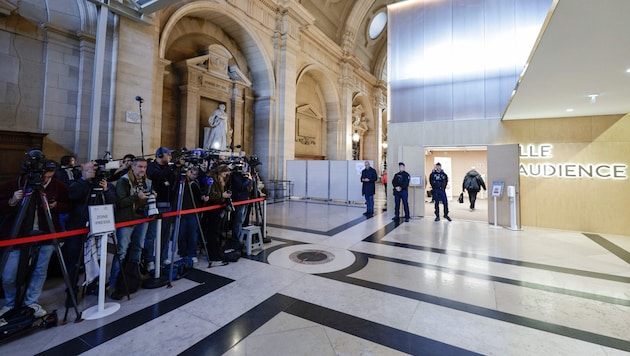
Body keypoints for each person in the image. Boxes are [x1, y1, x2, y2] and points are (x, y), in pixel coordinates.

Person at [0, 156, 69, 317]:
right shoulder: (16, 184)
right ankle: (11, 303)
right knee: (9, 274)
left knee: (39, 271)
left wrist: (56, 205)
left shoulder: (57, 186)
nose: (45, 179)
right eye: (44, 175)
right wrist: (12, 201)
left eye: (50, 176)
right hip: (18, 236)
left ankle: (31, 302)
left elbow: (68, 204)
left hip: (45, 235)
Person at [64, 161, 116, 304]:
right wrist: (85, 180)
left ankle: (94, 285)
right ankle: (71, 291)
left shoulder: (104, 184)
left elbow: (112, 201)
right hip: (78, 226)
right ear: (83, 170)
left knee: (97, 257)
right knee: (74, 262)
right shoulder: (77, 184)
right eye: (90, 169)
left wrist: (105, 189)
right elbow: (73, 195)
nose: (94, 171)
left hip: (98, 226)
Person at [108, 157, 151, 296]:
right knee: (121, 251)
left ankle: (134, 277)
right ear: (133, 167)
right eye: (139, 167)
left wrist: (151, 195)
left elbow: (146, 196)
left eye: (144, 167)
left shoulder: (146, 181)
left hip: (141, 218)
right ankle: (113, 283)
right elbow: (121, 202)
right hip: (127, 220)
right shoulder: (124, 181)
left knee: (137, 248)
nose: (142, 170)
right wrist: (136, 197)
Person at [145, 147, 181, 269]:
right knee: (152, 235)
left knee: (166, 234)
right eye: (168, 155)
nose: (170, 157)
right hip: (155, 205)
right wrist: (172, 167)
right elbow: (157, 177)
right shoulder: (151, 167)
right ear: (160, 155)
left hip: (168, 205)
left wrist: (176, 168)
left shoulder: (168, 169)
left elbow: (173, 182)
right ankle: (149, 260)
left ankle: (163, 257)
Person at [172, 166, 206, 264]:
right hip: (182, 211)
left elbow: (199, 194)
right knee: (181, 234)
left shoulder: (196, 183)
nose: (193, 176)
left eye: (196, 174)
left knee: (193, 234)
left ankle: (192, 253)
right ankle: (182, 253)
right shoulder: (181, 181)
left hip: (193, 211)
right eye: (192, 173)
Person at [202, 164, 231, 267]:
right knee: (213, 233)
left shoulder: (221, 180)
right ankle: (214, 256)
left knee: (218, 233)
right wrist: (222, 195)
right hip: (212, 209)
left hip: (219, 208)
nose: (225, 176)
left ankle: (218, 253)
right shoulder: (211, 180)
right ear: (219, 172)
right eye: (224, 174)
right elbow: (209, 194)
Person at [228, 163, 254, 245]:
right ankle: (237, 239)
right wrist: (249, 180)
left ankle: (239, 237)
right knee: (238, 221)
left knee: (241, 220)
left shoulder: (241, 175)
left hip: (244, 199)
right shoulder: (235, 175)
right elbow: (241, 186)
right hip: (239, 200)